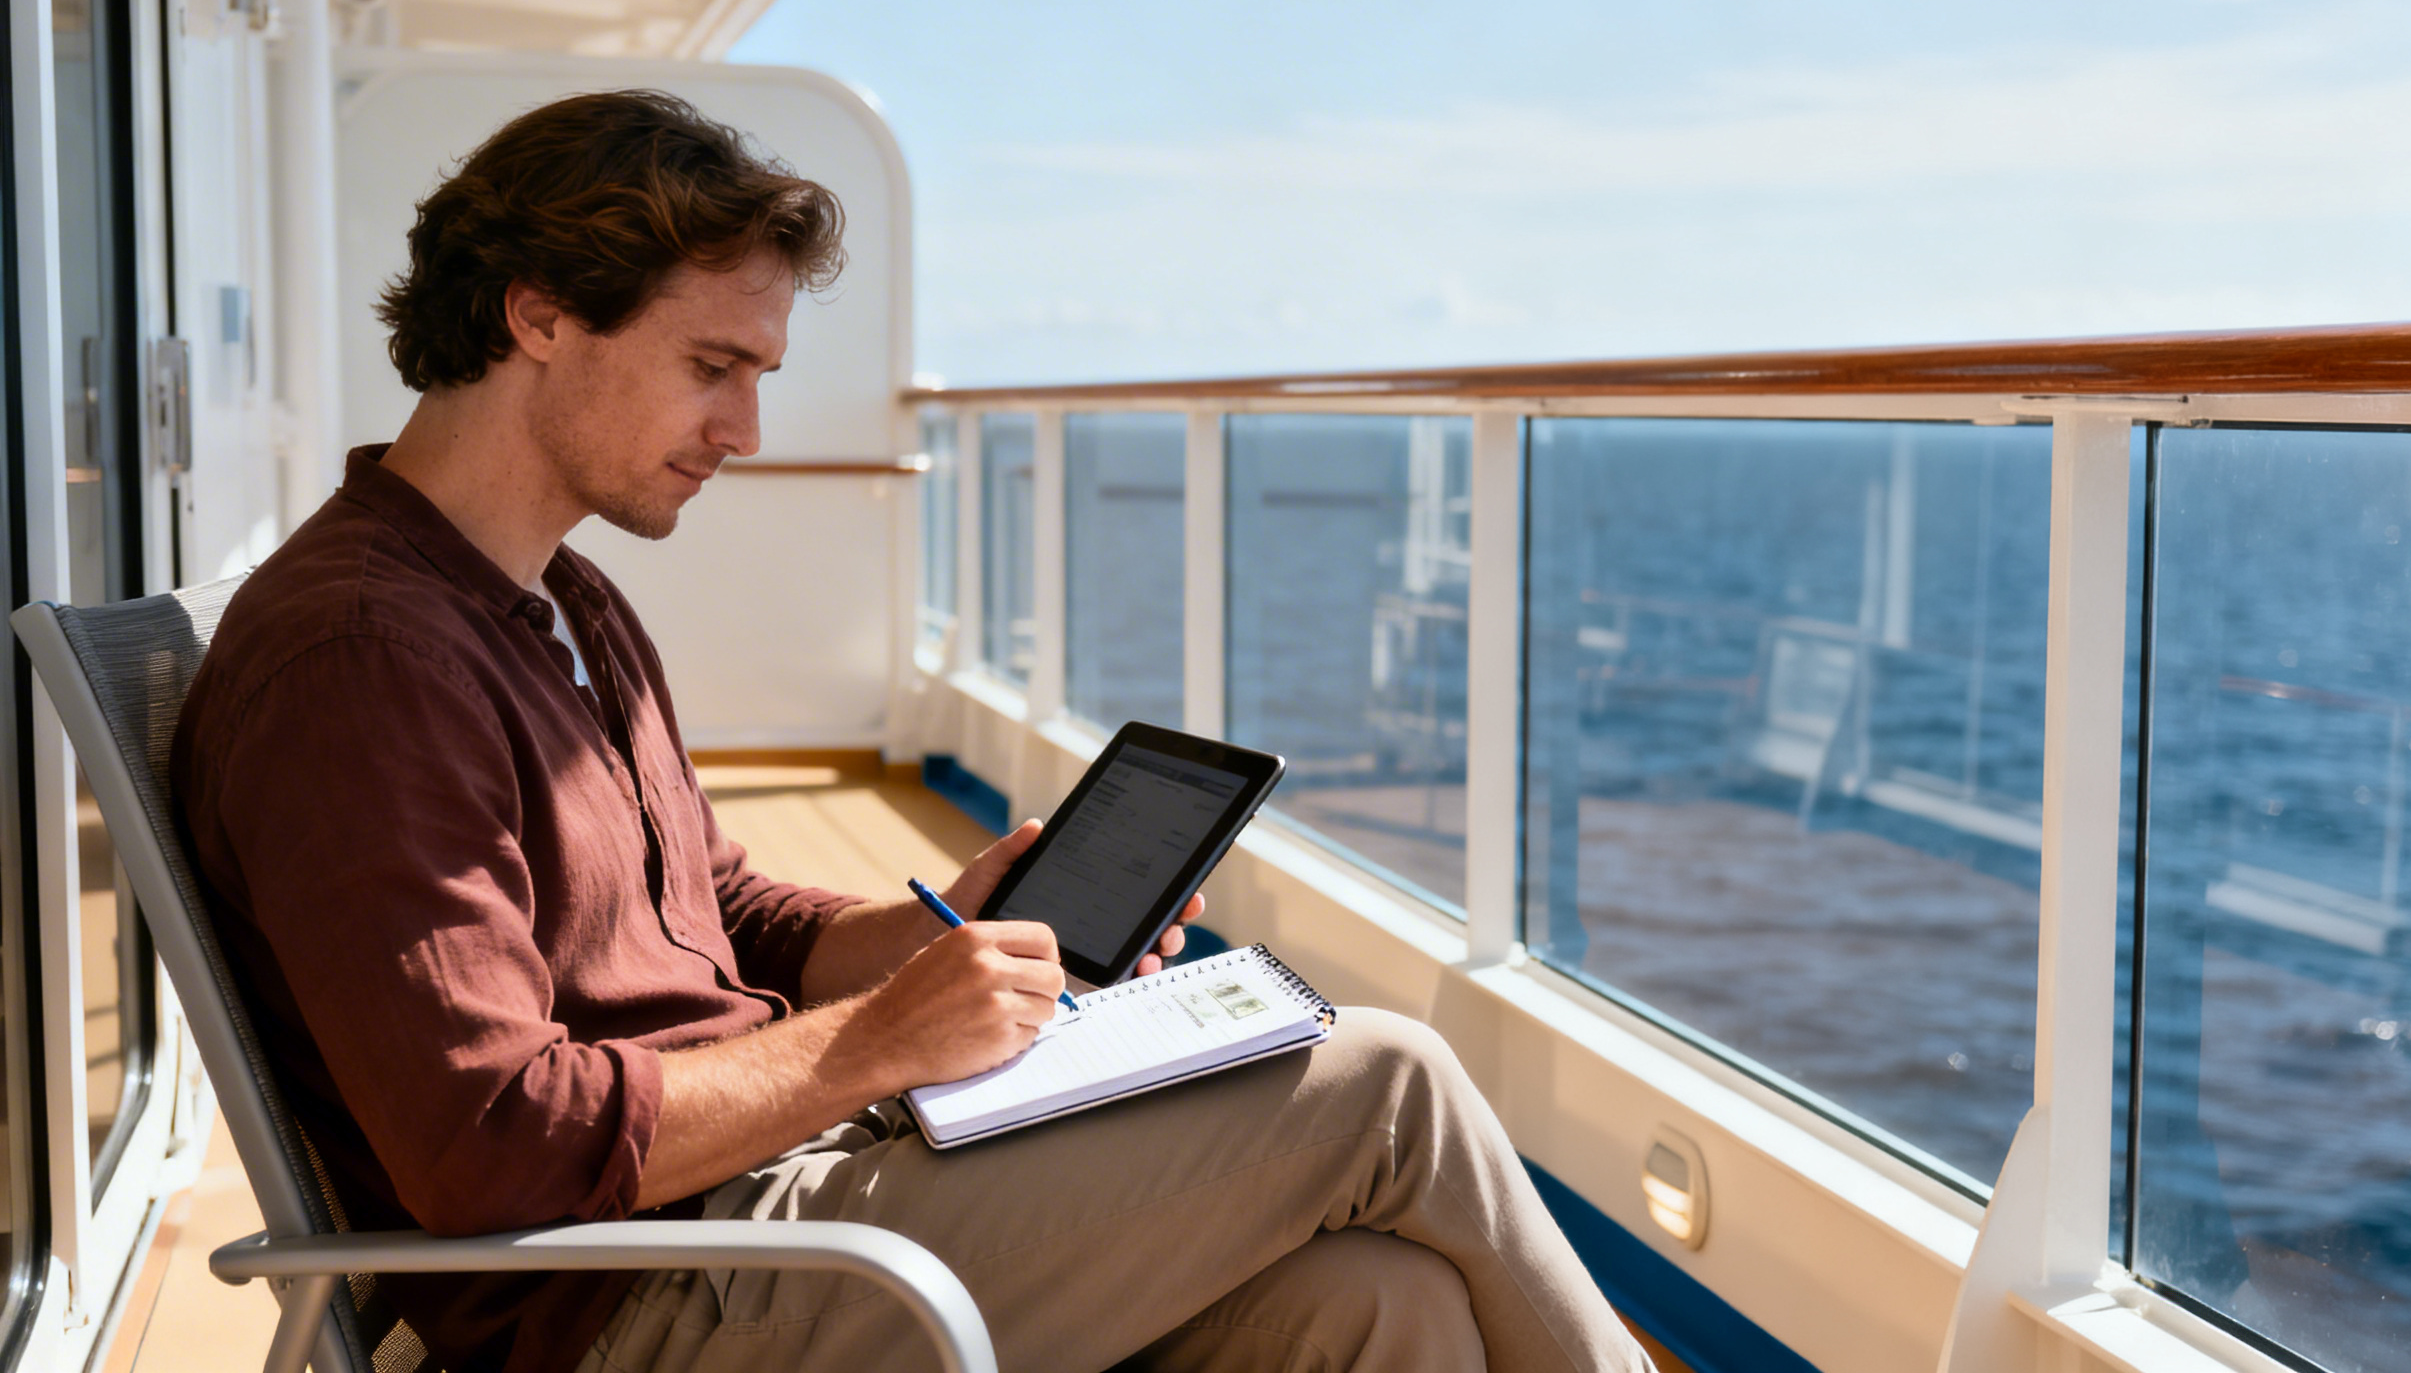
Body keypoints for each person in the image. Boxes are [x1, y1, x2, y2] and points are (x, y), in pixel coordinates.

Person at [173, 89, 1651, 1373]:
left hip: (776, 1202)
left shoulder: (561, 598)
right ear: (540, 314)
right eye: (714, 366)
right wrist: (876, 1047)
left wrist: (930, 934)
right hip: (640, 1304)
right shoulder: (363, 660)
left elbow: (715, 912)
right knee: (1385, 1083)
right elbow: (490, 1145)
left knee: (1384, 1314)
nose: (746, 431)